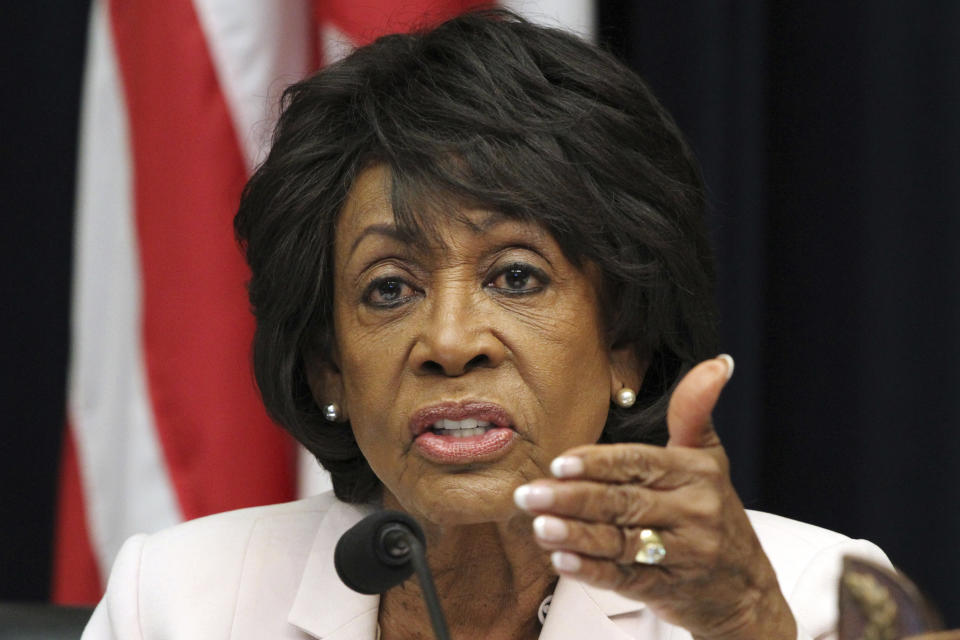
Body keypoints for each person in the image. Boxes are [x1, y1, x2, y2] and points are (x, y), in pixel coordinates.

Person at [82, 10, 890, 640]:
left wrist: (750, 625)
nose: (450, 342)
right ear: (329, 367)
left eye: (515, 277)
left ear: (626, 345)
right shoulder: (180, 601)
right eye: (389, 289)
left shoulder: (817, 590)